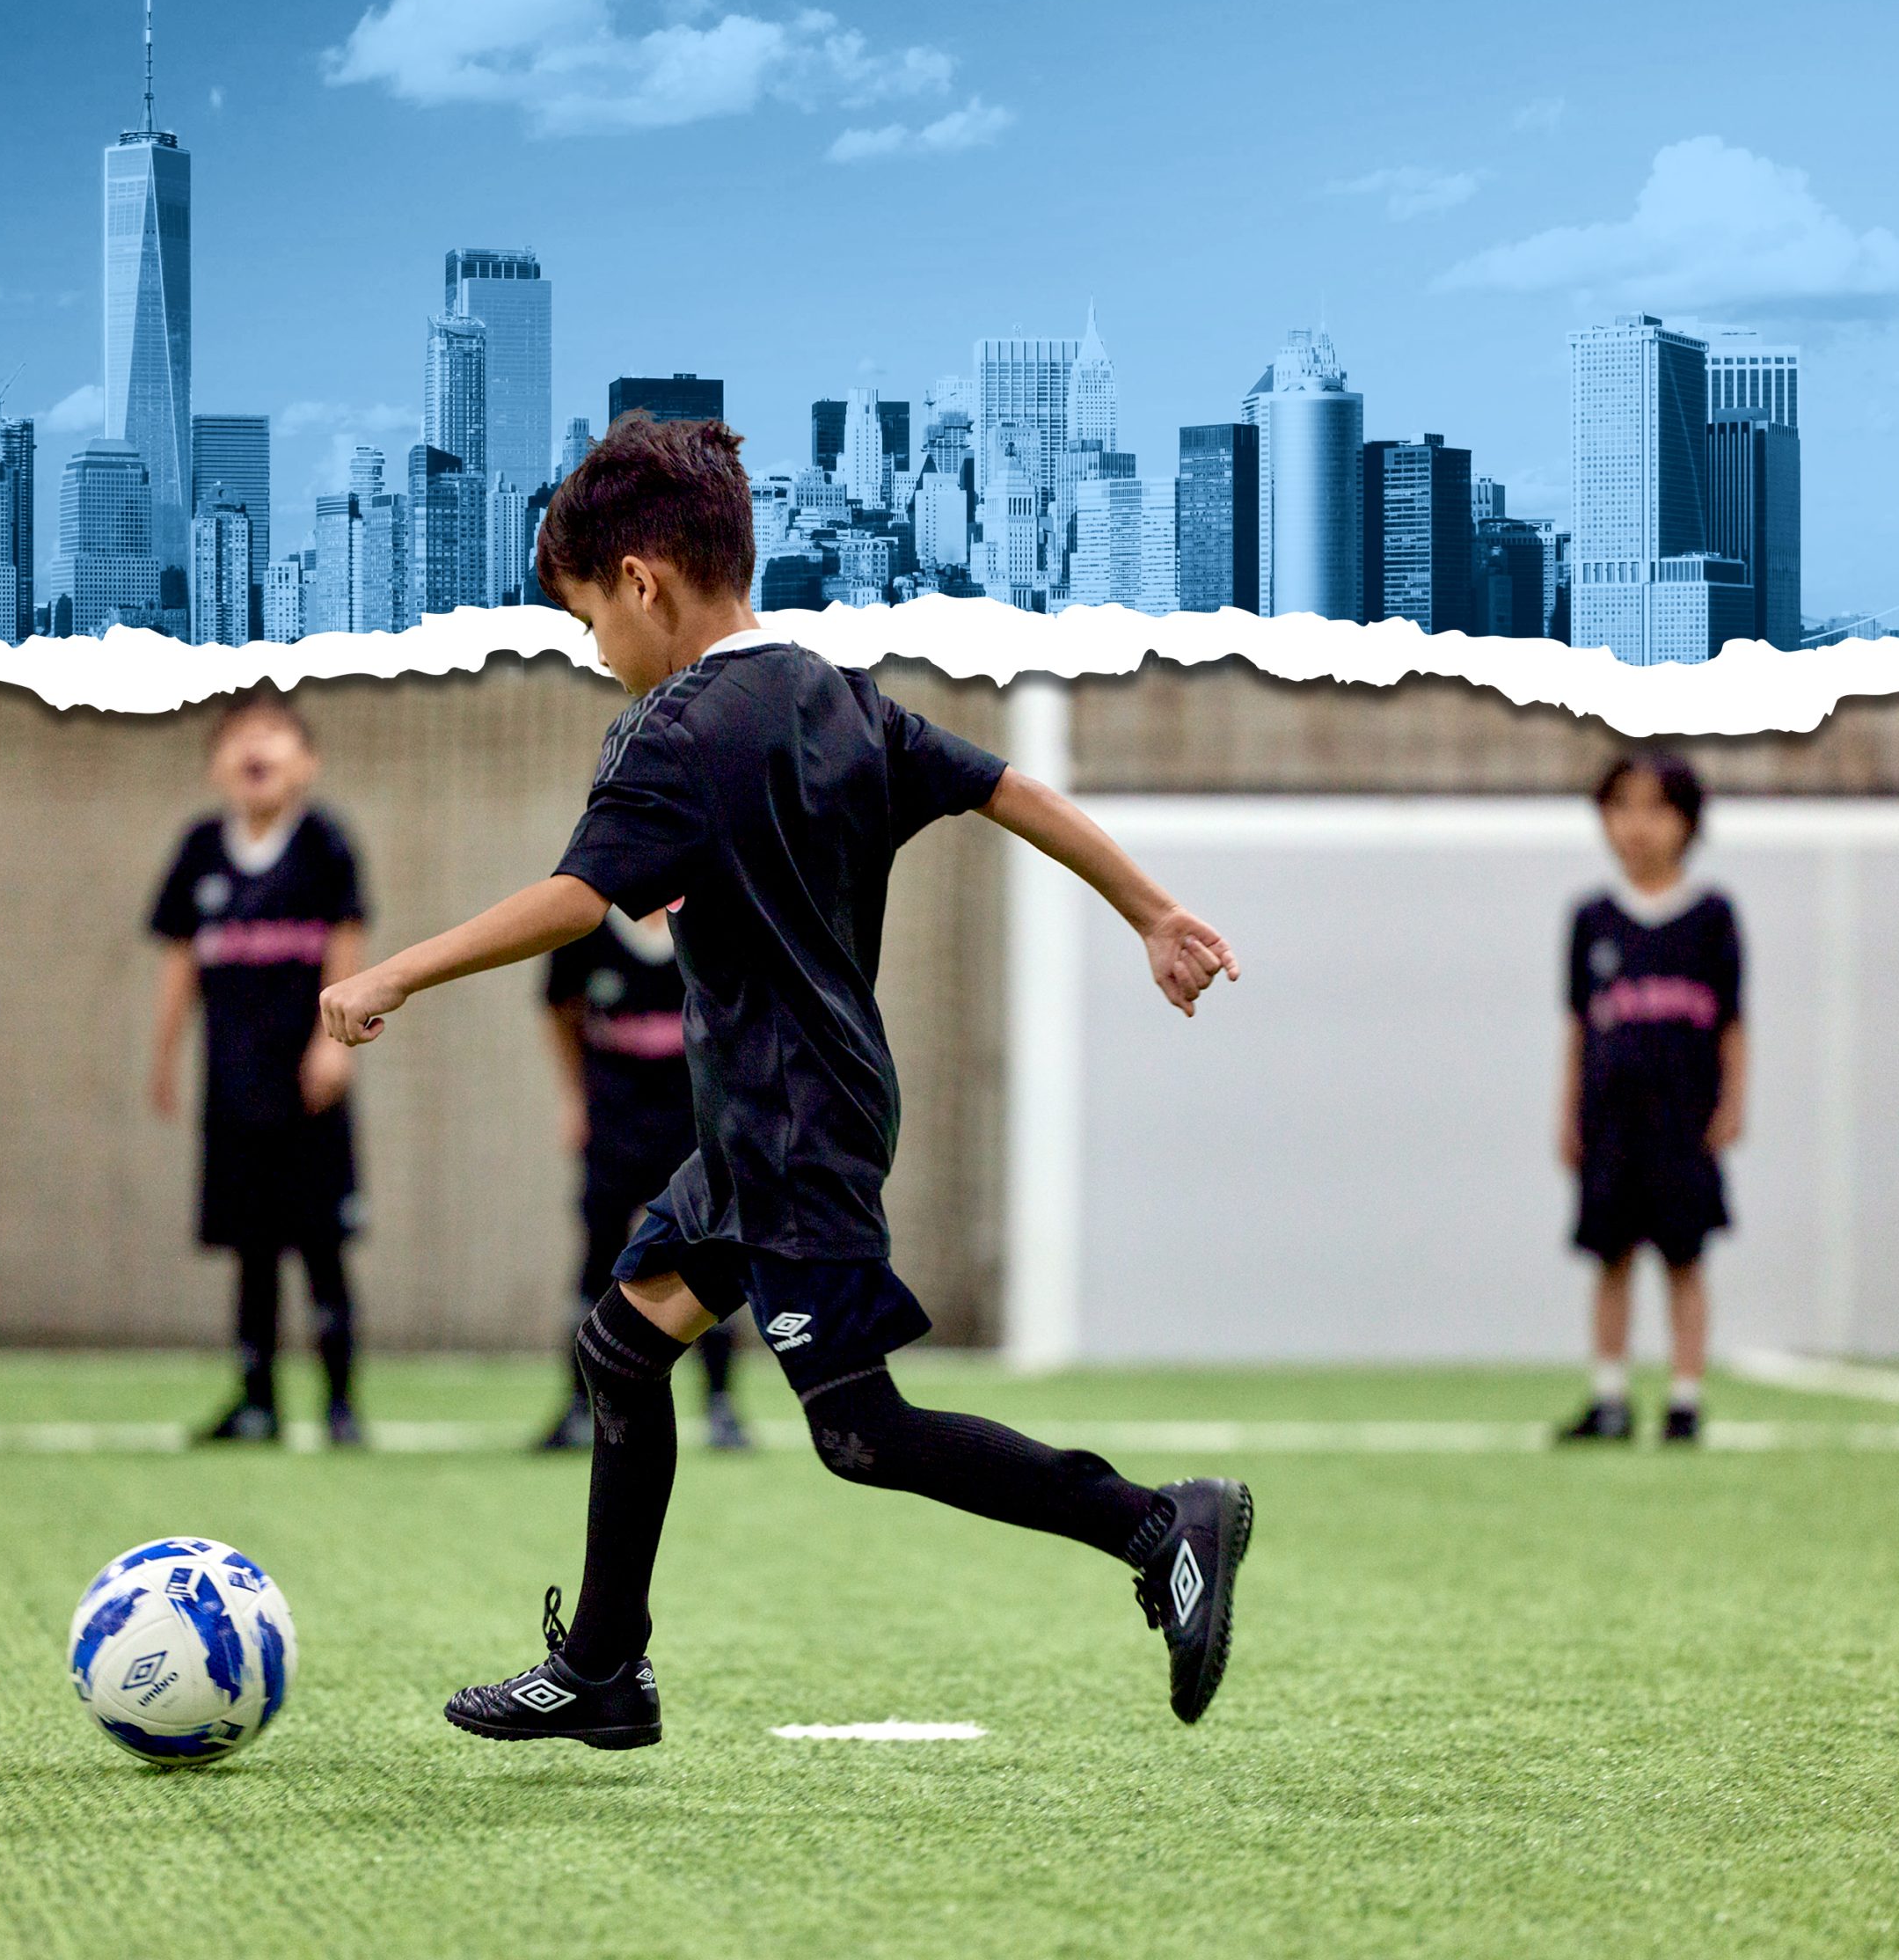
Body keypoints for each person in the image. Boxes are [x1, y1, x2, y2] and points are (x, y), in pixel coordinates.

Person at [320, 415, 1253, 1749]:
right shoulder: (836, 693)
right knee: (624, 1345)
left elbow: (579, 903)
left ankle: (1162, 1526)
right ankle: (602, 1668)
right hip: (793, 1110)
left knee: (860, 1431)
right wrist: (1152, 911)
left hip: (788, 1123)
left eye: (591, 620)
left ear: (642, 581)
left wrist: (396, 973)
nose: (598, 653)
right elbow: (1006, 790)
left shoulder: (679, 729)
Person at [150, 690, 369, 1447]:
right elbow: (181, 959)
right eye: (240, 736)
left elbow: (348, 941)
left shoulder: (324, 846)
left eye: (275, 734)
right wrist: (165, 1054)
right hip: (233, 1086)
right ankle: (256, 1401)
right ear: (216, 764)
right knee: (250, 1247)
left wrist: (329, 1045)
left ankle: (341, 1405)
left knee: (321, 1245)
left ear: (306, 762)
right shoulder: (200, 852)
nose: (258, 749)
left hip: (307, 1087)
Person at [1556, 751, 1746, 1446]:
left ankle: (1685, 1398)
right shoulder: (1592, 919)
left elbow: (1733, 1022)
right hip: (1610, 1121)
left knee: (1685, 1258)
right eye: (1622, 807)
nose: (1637, 826)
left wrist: (1732, 1105)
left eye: (1657, 808)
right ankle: (1609, 1396)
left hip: (1684, 1122)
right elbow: (1577, 1026)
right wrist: (1566, 1113)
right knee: (1611, 1256)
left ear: (1688, 823)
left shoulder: (1712, 917)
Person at [536, 908, 749, 1452]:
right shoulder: (587, 919)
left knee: (709, 1252)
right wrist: (572, 1100)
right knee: (600, 1252)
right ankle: (582, 1404)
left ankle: (721, 1404)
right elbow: (559, 1007)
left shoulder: (713, 915)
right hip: (615, 1116)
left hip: (694, 1118)